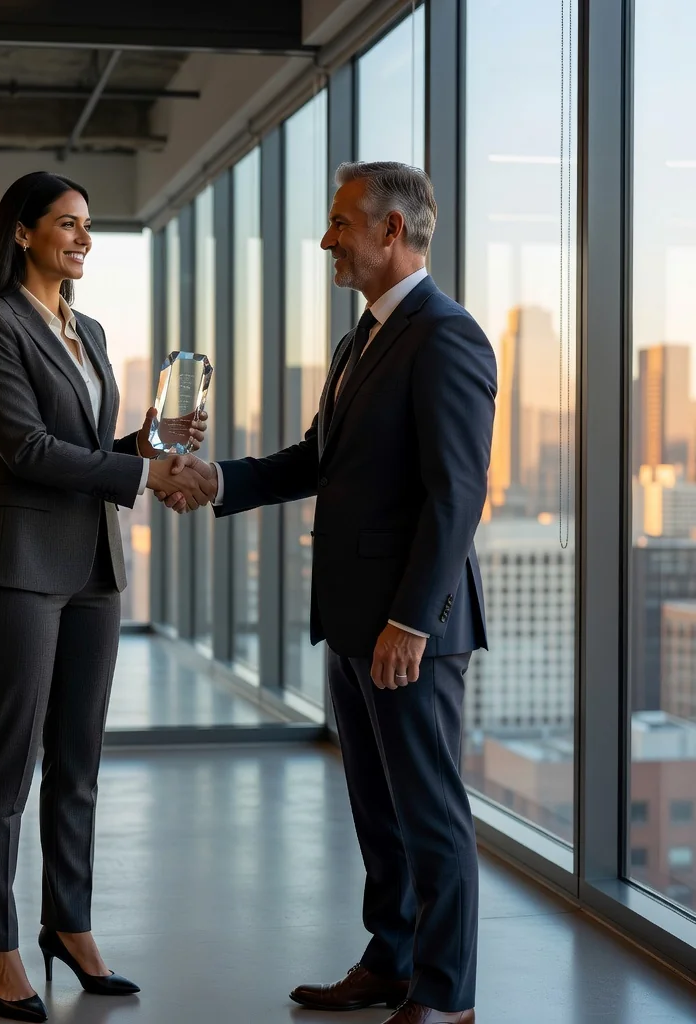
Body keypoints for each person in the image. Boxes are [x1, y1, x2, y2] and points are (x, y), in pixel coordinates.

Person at [165, 161, 496, 1023]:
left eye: (342, 223)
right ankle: (390, 961)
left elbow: (457, 495)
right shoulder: (363, 340)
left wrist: (410, 623)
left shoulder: (447, 335)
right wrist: (219, 479)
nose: (326, 240)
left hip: (406, 628)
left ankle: (448, 994)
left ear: (392, 230)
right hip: (353, 620)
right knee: (379, 814)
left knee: (431, 815)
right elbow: (319, 460)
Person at [0, 171, 211, 1021]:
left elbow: (85, 445)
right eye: (66, 224)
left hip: (94, 567)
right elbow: (26, 448)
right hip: (20, 565)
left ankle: (69, 924)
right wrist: (142, 470)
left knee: (80, 761)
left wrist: (148, 440)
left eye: (89, 227)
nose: (83, 239)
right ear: (22, 232)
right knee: (9, 764)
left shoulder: (87, 328)